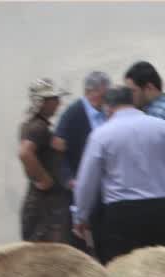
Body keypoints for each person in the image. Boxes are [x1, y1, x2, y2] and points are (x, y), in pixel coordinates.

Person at [72, 86, 165, 265]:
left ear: (108, 108)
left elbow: (87, 182)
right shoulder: (163, 129)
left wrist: (81, 217)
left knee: (123, 272)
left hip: (121, 216)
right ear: (133, 102)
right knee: (163, 268)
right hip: (161, 212)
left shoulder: (101, 135)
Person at [53, 70, 111, 254]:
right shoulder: (73, 114)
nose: (106, 98)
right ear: (90, 92)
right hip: (81, 186)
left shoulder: (107, 112)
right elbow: (58, 152)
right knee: (82, 240)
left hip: (105, 188)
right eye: (103, 94)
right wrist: (68, 179)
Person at [17, 78, 71, 242]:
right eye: (54, 99)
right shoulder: (37, 128)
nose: (58, 103)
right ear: (42, 102)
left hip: (43, 204)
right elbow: (25, 153)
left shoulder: (33, 125)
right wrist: (44, 180)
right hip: (43, 207)